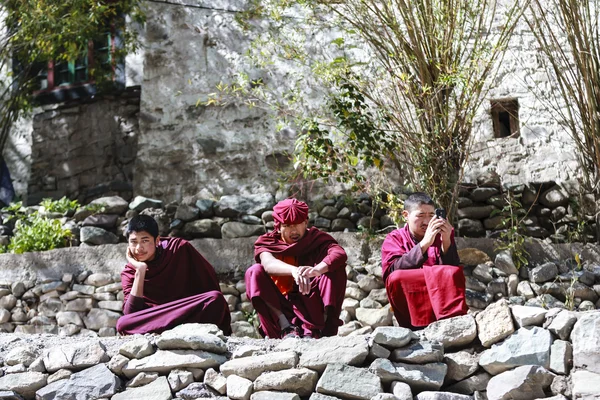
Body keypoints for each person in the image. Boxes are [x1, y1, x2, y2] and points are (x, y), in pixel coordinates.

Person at [245, 198, 347, 339]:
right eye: (287, 225)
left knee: (334, 269)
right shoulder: (268, 242)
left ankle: (319, 327)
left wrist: (317, 270)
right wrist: (294, 270)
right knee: (254, 272)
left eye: (297, 224)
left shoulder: (316, 240)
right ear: (278, 226)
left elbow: (339, 254)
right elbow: (268, 263)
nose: (293, 230)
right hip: (281, 306)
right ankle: (285, 327)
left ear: (305, 222)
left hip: (311, 305)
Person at [116, 215, 231, 335]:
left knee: (215, 299)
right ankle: (176, 331)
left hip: (185, 312)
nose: (139, 248)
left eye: (145, 241)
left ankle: (166, 331)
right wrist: (140, 270)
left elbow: (208, 286)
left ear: (157, 240)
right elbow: (130, 313)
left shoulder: (179, 249)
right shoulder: (130, 271)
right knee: (123, 323)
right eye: (133, 242)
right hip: (157, 318)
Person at [381, 192, 468, 329]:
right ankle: (413, 327)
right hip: (412, 295)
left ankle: (451, 322)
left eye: (431, 216)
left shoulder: (441, 235)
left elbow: (452, 272)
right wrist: (425, 244)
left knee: (454, 272)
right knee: (396, 278)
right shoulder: (394, 238)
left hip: (440, 297)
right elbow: (392, 270)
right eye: (420, 216)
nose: (427, 222)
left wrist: (446, 241)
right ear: (406, 215)